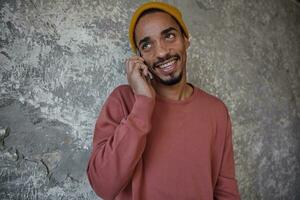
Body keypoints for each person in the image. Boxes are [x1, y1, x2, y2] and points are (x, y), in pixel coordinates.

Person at [87, 2, 240, 200]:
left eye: (169, 36)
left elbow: (226, 190)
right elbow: (102, 185)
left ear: (186, 40)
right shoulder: (123, 100)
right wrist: (143, 103)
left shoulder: (216, 110)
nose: (161, 52)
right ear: (139, 58)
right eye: (147, 45)